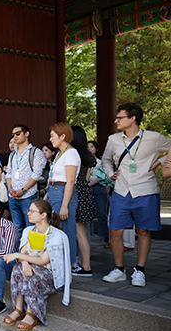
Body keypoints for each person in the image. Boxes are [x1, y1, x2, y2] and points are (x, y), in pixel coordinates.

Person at [101, 103, 170, 287]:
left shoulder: (154, 138)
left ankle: (140, 270)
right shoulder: (113, 139)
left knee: (143, 230)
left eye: (119, 117)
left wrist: (160, 161)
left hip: (146, 190)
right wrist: (109, 174)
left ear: (132, 118)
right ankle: (119, 269)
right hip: (121, 191)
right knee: (115, 231)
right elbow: (105, 159)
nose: (116, 120)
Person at [3, 199, 71, 331]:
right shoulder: (28, 230)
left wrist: (18, 256)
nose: (28, 213)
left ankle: (31, 313)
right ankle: (18, 309)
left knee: (33, 274)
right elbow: (23, 251)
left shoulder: (56, 235)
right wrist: (24, 263)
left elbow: (43, 261)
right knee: (17, 268)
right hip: (32, 266)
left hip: (49, 275)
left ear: (43, 215)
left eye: (32, 211)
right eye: (28, 211)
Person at [46, 122, 80, 267]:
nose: (50, 139)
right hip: (54, 191)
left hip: (62, 194)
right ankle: (59, 263)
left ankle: (71, 263)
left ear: (63, 136)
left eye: (53, 136)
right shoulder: (60, 153)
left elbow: (70, 181)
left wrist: (65, 205)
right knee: (55, 229)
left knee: (66, 229)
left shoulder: (71, 153)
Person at [6, 124, 47, 235]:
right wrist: (9, 188)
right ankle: (20, 251)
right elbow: (8, 173)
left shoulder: (36, 152)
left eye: (18, 133)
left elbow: (36, 175)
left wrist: (23, 190)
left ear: (26, 134)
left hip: (28, 196)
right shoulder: (12, 154)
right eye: (13, 134)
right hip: (13, 196)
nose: (15, 136)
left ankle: (32, 252)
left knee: (32, 228)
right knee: (17, 228)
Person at [70, 126, 98, 277]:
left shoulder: (72, 155)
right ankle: (83, 263)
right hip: (86, 193)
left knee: (78, 233)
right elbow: (87, 178)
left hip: (76, 193)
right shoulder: (88, 156)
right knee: (83, 233)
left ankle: (85, 266)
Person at [87, 140, 110, 247]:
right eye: (87, 147)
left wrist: (89, 185)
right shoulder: (84, 162)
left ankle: (105, 237)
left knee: (102, 214)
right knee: (88, 214)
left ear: (96, 148)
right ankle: (89, 236)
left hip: (99, 187)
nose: (89, 149)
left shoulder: (101, 162)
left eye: (91, 147)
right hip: (87, 189)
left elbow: (102, 177)